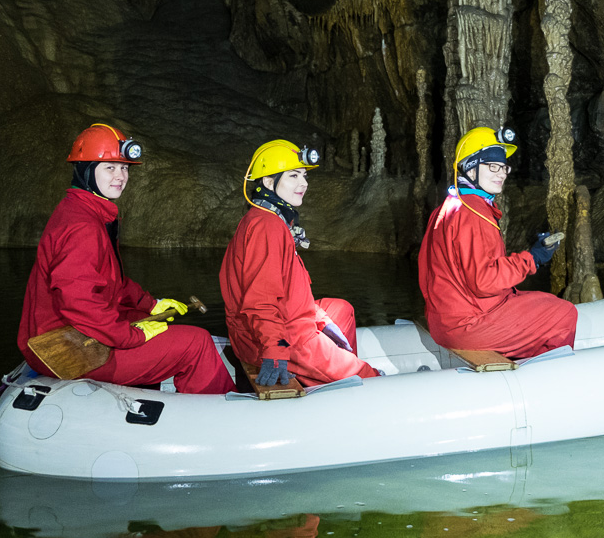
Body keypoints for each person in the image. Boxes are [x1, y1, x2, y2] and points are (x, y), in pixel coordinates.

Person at [17, 123, 235, 395]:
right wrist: (132, 336)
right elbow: (78, 302)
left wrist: (151, 305)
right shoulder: (83, 226)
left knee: (150, 319)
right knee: (197, 342)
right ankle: (216, 417)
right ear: (86, 170)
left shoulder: (86, 211)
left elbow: (111, 281)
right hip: (65, 348)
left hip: (71, 334)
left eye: (124, 168)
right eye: (110, 167)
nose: (121, 176)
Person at [220, 139, 381, 388]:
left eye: (304, 175)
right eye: (293, 176)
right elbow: (260, 301)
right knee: (370, 378)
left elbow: (287, 289)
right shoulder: (268, 227)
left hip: (288, 321)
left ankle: (329, 379)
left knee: (341, 310)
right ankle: (343, 379)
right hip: (284, 337)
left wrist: (318, 317)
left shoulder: (268, 219)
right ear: (268, 182)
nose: (303, 183)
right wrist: (275, 351)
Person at [418, 126, 578, 359]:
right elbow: (484, 281)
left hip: (446, 317)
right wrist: (532, 258)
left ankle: (524, 363)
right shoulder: (473, 212)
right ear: (469, 168)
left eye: (504, 167)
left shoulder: (449, 206)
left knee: (545, 300)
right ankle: (548, 383)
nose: (501, 173)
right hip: (468, 324)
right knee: (564, 313)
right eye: (492, 166)